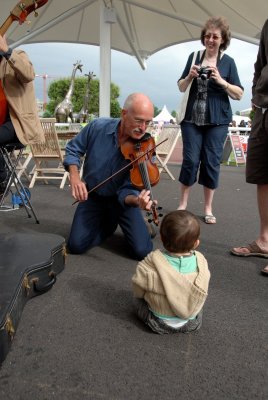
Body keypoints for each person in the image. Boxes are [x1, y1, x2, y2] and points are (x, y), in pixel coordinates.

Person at [63, 93, 157, 260]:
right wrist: (75, 176)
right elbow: (73, 149)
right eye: (138, 120)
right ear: (123, 113)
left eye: (147, 122)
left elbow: (129, 190)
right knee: (75, 246)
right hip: (94, 196)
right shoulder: (97, 127)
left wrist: (137, 201)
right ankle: (108, 225)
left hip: (123, 202)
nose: (143, 128)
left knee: (142, 251)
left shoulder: (146, 148)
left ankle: (133, 223)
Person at [177, 16, 244, 224]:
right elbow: (180, 86)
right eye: (207, 36)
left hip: (218, 120)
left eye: (215, 36)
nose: (210, 40)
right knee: (190, 160)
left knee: (212, 162)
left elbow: (239, 94)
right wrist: (190, 76)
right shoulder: (194, 56)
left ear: (223, 39)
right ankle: (183, 204)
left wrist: (221, 81)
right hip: (191, 118)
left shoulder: (228, 62)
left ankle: (208, 208)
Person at [132, 210, 210, 334]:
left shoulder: (150, 263)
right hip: (191, 322)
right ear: (196, 243)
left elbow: (138, 291)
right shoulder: (201, 263)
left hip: (158, 322)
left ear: (162, 238)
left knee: (136, 302)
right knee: (198, 304)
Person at [231, 19, 268, 277]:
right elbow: (260, 63)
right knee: (261, 177)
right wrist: (256, 98)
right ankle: (265, 241)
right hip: (263, 110)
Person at [0, 34, 44, 197]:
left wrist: (6, 50)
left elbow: (28, 74)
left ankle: (1, 180)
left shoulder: (18, 55)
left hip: (18, 124)